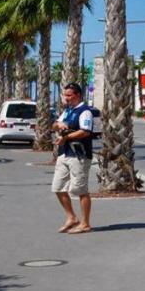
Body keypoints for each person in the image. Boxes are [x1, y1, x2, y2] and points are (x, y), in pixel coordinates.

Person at [52, 82, 93, 234]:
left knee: (81, 189)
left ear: (78, 95)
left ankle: (85, 223)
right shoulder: (68, 111)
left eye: (69, 95)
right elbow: (54, 125)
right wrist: (59, 124)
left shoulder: (84, 111)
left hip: (79, 155)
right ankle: (71, 217)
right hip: (64, 154)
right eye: (65, 95)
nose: (66, 98)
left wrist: (66, 138)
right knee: (58, 187)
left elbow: (85, 131)